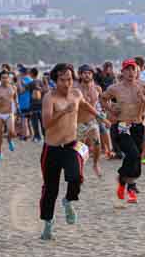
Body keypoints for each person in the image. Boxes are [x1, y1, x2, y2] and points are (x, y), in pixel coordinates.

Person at [39, 63, 105, 240]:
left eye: (69, 79)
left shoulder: (76, 93)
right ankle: (48, 224)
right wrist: (63, 112)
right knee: (50, 190)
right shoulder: (49, 98)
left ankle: (68, 201)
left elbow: (84, 105)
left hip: (71, 145)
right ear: (55, 81)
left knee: (76, 177)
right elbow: (46, 124)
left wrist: (101, 117)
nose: (67, 83)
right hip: (52, 148)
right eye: (62, 80)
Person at [101, 58, 145, 204]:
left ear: (138, 71)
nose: (130, 72)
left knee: (136, 157)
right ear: (122, 72)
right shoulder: (116, 88)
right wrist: (110, 110)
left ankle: (123, 180)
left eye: (133, 69)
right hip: (122, 125)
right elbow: (102, 98)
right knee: (133, 153)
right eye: (127, 69)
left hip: (138, 125)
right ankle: (131, 187)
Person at [76, 64, 104, 177]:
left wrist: (109, 111)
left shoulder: (97, 88)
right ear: (80, 74)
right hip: (79, 123)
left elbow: (103, 103)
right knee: (79, 149)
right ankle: (80, 170)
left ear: (92, 75)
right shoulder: (75, 89)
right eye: (85, 73)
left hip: (92, 121)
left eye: (89, 73)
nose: (87, 75)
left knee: (97, 143)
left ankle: (96, 164)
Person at [0, 70, 17, 160]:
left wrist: (17, 108)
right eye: (3, 78)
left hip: (10, 113)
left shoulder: (13, 88)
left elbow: (15, 98)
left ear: (9, 78)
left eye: (6, 77)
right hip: (0, 114)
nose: (5, 79)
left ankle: (9, 140)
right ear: (0, 79)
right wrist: (0, 101)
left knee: (11, 131)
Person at [27, 68, 45, 143]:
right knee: (42, 122)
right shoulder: (41, 82)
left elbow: (23, 89)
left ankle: (37, 137)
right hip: (41, 104)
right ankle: (45, 137)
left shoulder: (31, 83)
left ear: (31, 74)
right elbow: (44, 91)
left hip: (33, 104)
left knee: (35, 122)